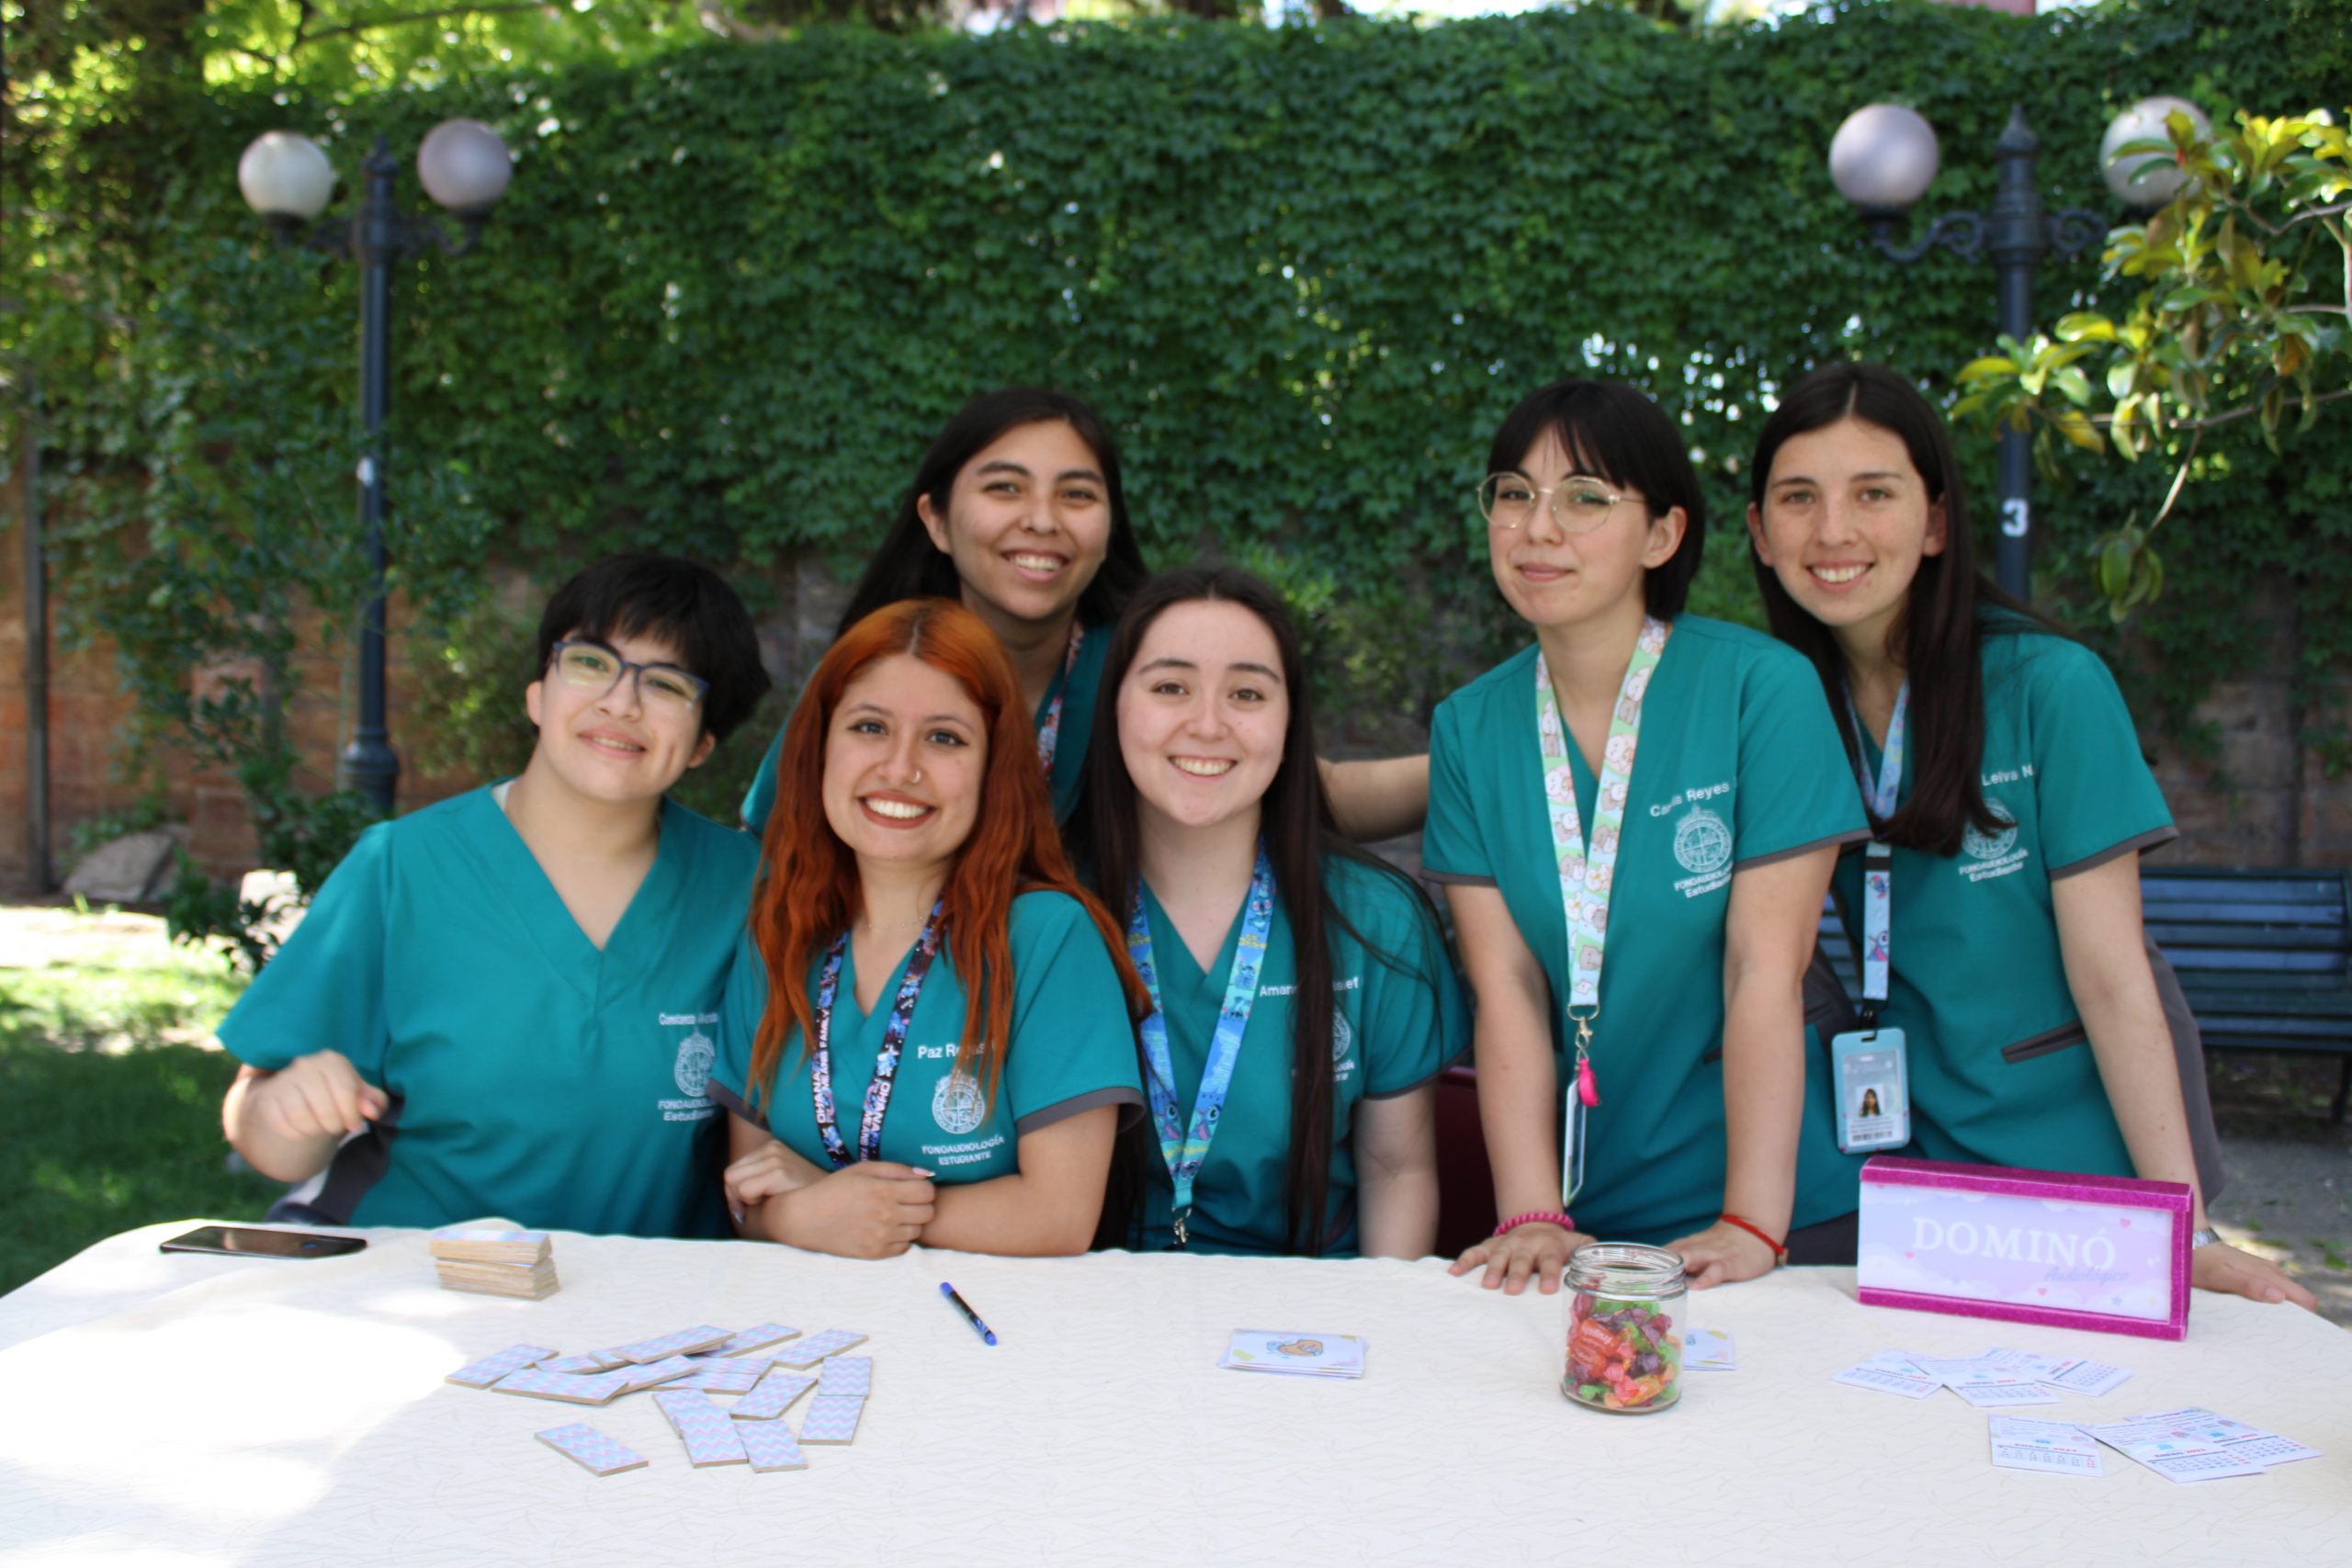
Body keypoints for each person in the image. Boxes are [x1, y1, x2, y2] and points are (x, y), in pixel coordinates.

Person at [1744, 360, 2314, 1309]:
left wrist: (2187, 1226)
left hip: (2087, 1131)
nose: (1833, 530)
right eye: (1798, 497)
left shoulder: (2051, 685)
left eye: (1872, 493)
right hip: (1915, 1139)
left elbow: (2113, 974)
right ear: (1761, 534)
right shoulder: (1781, 709)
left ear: (1935, 521)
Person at [1428, 378, 1871, 1295]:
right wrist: (1531, 1213)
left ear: (1662, 535)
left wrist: (1751, 1221)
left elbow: (1764, 968)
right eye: (1513, 493)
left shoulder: (1760, 689)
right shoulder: (1469, 726)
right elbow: (1507, 988)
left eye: (1584, 497)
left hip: (1779, 1213)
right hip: (1587, 1220)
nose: (1537, 528)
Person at [219, 554, 773, 1237]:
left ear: (702, 743)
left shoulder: (748, 889)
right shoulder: (402, 868)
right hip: (416, 1276)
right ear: (537, 695)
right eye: (591, 663)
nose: (621, 703)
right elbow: (262, 1133)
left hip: (649, 1295)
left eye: (666, 684)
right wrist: (288, 1109)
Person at [737, 386, 1430, 841]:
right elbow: (769, 845)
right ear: (937, 519)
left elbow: (1305, 792)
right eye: (1005, 488)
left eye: (1076, 495)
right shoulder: (871, 671)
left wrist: (1475, 763)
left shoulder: (1140, 669)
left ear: (1109, 526)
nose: (1043, 521)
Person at [709, 598, 1149, 1258]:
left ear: (995, 768)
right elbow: (751, 1195)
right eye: (869, 727)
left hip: (985, 1315)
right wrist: (796, 1216)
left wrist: (841, 1204)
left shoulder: (1049, 937)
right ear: (818, 748)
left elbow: (1058, 1216)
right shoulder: (778, 931)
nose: (899, 768)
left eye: (944, 737)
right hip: (804, 1314)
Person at [1080, 567, 1466, 1258]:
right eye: (1170, 687)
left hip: (1314, 1305)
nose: (1207, 724)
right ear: (1114, 707)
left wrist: (1382, 1314)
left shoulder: (1378, 921)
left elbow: (1395, 1168)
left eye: (1247, 693)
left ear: (1290, 723)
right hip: (1101, 1297)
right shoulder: (1049, 909)